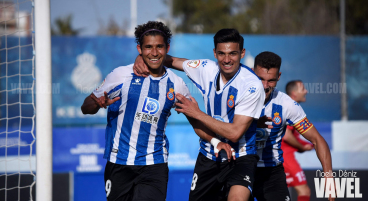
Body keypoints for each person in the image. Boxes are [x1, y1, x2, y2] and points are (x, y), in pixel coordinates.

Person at [134, 28, 265, 201]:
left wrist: (196, 113)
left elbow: (235, 133)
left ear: (242, 53)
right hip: (209, 156)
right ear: (214, 53)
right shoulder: (206, 68)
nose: (227, 60)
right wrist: (141, 58)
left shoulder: (251, 85)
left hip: (240, 157)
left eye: (232, 53)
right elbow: (168, 60)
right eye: (221, 53)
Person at [81, 21, 201, 201]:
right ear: (140, 49)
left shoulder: (177, 84)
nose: (154, 53)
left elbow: (196, 120)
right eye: (148, 47)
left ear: (167, 47)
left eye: (159, 47)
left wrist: (216, 142)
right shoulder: (121, 74)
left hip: (154, 165)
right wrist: (98, 103)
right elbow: (85, 107)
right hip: (119, 163)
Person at [251, 51, 334, 201]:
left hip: (272, 172)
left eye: (270, 80)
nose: (264, 86)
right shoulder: (236, 96)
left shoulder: (287, 104)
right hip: (242, 167)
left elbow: (317, 139)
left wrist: (328, 177)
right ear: (252, 72)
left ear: (279, 77)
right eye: (260, 79)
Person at [281, 80, 314, 201]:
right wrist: (302, 147)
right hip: (286, 158)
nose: (306, 91)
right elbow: (286, 135)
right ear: (294, 93)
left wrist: (305, 145)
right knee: (304, 190)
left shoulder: (286, 105)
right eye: (303, 89)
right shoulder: (291, 108)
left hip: (281, 156)